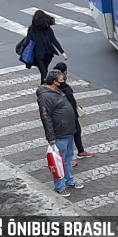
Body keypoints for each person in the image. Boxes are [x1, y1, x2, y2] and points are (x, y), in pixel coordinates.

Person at [37, 69, 84, 197]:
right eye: (61, 79)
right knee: (59, 162)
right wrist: (51, 137)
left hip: (68, 131)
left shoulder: (58, 91)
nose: (64, 80)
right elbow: (46, 117)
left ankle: (70, 181)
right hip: (59, 134)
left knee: (68, 159)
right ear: (54, 82)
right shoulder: (46, 96)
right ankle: (60, 186)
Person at [53, 62, 95, 167]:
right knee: (67, 137)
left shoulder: (60, 83)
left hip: (71, 114)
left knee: (77, 131)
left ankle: (80, 151)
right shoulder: (58, 85)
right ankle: (67, 160)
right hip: (66, 116)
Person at [24, 10, 68, 84]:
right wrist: (62, 52)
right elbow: (54, 41)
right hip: (48, 54)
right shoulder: (48, 29)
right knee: (44, 71)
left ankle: (43, 88)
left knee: (44, 72)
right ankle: (44, 88)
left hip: (39, 55)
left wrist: (23, 51)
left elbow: (27, 41)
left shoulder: (32, 29)